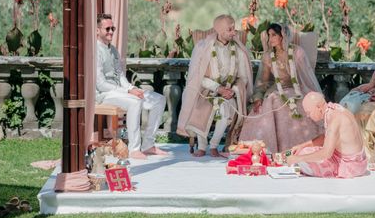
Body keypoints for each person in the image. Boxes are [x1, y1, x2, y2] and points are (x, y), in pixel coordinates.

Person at [94, 13, 169, 160]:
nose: (110, 32)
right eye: (107, 29)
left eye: (112, 28)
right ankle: (134, 149)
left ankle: (148, 144)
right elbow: (101, 84)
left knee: (159, 99)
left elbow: (120, 76)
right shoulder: (95, 51)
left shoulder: (113, 50)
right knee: (135, 102)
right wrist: (129, 91)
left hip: (120, 92)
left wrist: (133, 88)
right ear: (97, 30)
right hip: (104, 95)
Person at [177, 14, 253, 157]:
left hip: (229, 92)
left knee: (226, 111)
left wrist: (233, 89)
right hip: (206, 90)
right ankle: (202, 146)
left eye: (234, 29)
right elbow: (198, 77)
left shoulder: (238, 50)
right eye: (230, 30)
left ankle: (214, 145)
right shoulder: (203, 48)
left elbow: (243, 77)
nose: (234, 33)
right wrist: (218, 88)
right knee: (201, 109)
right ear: (220, 30)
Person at [239, 23, 323, 153]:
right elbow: (263, 81)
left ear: (283, 36)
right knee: (275, 101)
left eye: (274, 35)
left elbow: (306, 76)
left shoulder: (297, 52)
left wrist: (314, 97)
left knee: (300, 105)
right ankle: (275, 149)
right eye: (268, 35)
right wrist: (258, 97)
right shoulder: (268, 56)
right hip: (277, 90)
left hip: (298, 89)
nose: (270, 39)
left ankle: (300, 148)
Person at [284, 92, 368, 178]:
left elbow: (326, 154)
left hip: (350, 167)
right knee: (303, 150)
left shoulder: (334, 120)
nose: (308, 116)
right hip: (359, 162)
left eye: (309, 112)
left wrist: (298, 158)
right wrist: (302, 145)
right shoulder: (334, 109)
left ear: (319, 107)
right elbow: (327, 138)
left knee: (303, 156)